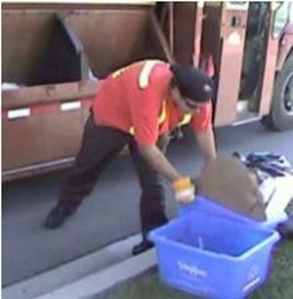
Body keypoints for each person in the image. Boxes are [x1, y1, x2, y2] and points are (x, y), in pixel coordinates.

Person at [45, 59, 217, 255]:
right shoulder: (149, 93)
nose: (197, 111)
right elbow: (147, 149)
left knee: (152, 181)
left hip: (151, 125)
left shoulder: (199, 98)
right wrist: (180, 182)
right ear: (176, 92)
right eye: (192, 106)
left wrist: (214, 168)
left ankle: (153, 236)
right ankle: (65, 205)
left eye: (200, 107)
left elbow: (204, 131)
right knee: (87, 167)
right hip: (112, 118)